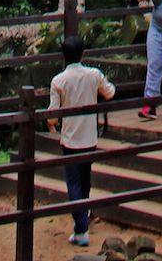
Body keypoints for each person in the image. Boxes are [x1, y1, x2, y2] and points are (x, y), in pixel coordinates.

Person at [48, 36, 115, 250]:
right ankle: (83, 217)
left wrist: (51, 123)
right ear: (83, 54)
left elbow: (53, 114)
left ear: (64, 56)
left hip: (70, 139)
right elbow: (110, 92)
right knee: (85, 180)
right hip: (90, 137)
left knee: (74, 183)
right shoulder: (93, 75)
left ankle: (81, 229)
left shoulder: (58, 81)